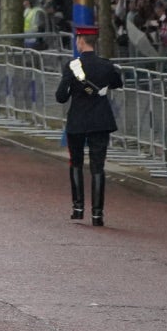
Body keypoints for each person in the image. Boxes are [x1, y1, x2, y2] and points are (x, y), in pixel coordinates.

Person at [57, 25, 121, 226]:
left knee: (75, 163)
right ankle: (97, 214)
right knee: (98, 167)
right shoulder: (107, 65)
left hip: (78, 120)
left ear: (80, 40)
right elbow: (117, 83)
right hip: (101, 121)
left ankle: (78, 209)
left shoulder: (73, 66)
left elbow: (60, 97)